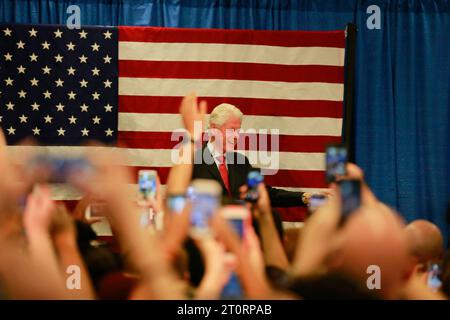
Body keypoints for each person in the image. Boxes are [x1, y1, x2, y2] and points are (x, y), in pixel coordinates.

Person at [191, 102, 312, 207]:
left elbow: (263, 194)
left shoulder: (240, 161)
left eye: (238, 131)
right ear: (213, 129)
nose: (236, 136)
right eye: (232, 130)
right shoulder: (194, 161)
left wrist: (304, 197)